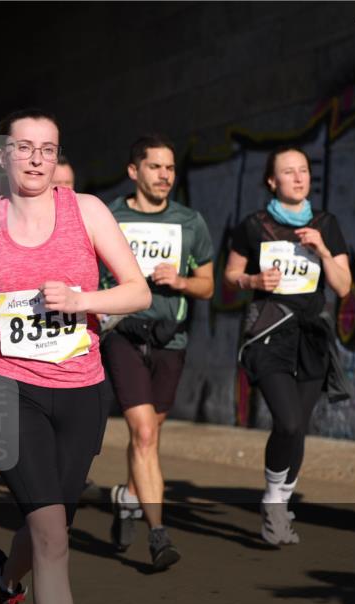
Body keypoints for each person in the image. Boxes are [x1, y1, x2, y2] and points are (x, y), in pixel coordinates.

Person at [0, 109, 149, 604]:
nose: (36, 159)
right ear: (2, 155)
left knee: (50, 524)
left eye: (47, 149)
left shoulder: (89, 211)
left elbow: (138, 291)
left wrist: (82, 300)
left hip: (82, 391)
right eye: (24, 148)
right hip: (9, 389)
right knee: (53, 536)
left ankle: (5, 579)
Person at [224, 146, 351, 545]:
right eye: (289, 171)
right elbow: (230, 274)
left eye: (304, 171)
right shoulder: (253, 226)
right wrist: (252, 281)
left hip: (312, 337)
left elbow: (343, 286)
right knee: (288, 421)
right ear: (271, 181)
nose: (298, 178)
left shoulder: (326, 224)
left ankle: (278, 505)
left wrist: (323, 250)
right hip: (268, 335)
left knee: (299, 429)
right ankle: (273, 500)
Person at [98, 135, 214, 570]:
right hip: (123, 334)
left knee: (150, 432)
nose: (165, 175)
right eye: (155, 167)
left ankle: (128, 495)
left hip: (171, 339)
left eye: (170, 168)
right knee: (144, 432)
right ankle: (159, 535)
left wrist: (181, 281)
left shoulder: (190, 222)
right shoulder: (110, 217)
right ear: (134, 171)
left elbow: (208, 286)